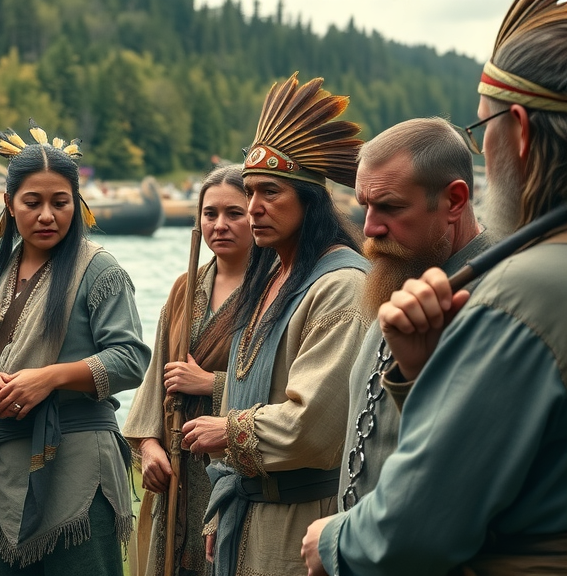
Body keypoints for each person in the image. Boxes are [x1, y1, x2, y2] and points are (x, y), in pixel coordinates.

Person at [302, 2, 567, 574]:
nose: (369, 230)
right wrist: (418, 375)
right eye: (363, 207)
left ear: (518, 132)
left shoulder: (516, 297)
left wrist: (332, 541)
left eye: (482, 127)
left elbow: (420, 528)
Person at [180, 73, 369, 576]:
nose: (254, 207)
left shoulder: (341, 286)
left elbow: (315, 428)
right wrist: (221, 511)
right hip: (245, 512)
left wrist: (229, 430)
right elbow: (247, 388)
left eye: (271, 192)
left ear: (309, 201)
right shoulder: (271, 279)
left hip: (301, 522)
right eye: (250, 191)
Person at [0, 121, 150, 575]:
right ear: (9, 205)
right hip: (2, 468)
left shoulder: (99, 270)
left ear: (78, 204)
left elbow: (131, 358)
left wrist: (49, 378)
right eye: (32, 203)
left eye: (60, 203)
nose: (47, 216)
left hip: (79, 465)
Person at [334, 118, 494, 511]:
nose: (369, 228)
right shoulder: (396, 277)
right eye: (364, 206)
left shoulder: (496, 303)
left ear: (454, 201)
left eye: (389, 207)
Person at [122, 164, 252, 576]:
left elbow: (282, 386)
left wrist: (211, 384)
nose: (220, 224)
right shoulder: (185, 287)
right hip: (180, 467)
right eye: (210, 213)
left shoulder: (274, 289)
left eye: (235, 213)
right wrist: (149, 446)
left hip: (234, 464)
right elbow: (155, 376)